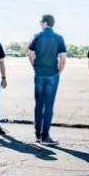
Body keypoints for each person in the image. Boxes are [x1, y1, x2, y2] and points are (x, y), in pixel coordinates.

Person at [28, 14, 66, 146]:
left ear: (45, 22)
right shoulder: (59, 38)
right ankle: (45, 136)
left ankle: (38, 135)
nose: (40, 23)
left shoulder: (37, 36)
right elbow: (63, 58)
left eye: (41, 21)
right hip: (52, 74)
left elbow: (31, 54)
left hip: (39, 73)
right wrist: (58, 73)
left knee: (39, 104)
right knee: (49, 105)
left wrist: (36, 68)